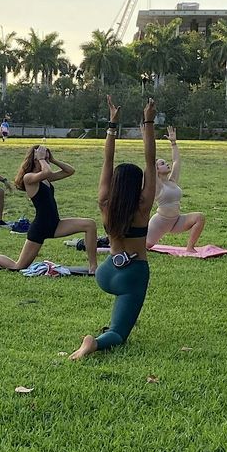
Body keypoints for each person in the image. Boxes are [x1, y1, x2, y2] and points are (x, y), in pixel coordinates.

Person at [70, 96, 158, 360]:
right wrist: (149, 120)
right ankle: (93, 344)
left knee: (120, 320)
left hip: (106, 272)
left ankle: (96, 338)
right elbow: (151, 161)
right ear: (137, 185)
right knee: (119, 334)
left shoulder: (105, 203)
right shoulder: (143, 206)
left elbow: (107, 162)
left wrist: (112, 125)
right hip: (133, 274)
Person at [0, 144, 98, 272]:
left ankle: (93, 267)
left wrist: (53, 159)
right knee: (18, 266)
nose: (46, 160)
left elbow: (70, 171)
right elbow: (47, 171)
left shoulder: (45, 178)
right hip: (40, 227)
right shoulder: (29, 178)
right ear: (35, 159)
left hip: (56, 224)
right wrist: (42, 159)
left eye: (46, 158)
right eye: (43, 158)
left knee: (90, 225)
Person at [145, 126, 206, 251]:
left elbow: (176, 161)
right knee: (142, 247)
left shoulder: (172, 181)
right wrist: (147, 140)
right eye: (162, 163)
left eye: (165, 162)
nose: (166, 164)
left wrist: (173, 143)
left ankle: (190, 248)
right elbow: (149, 161)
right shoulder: (157, 185)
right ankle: (108, 243)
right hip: (160, 223)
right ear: (155, 170)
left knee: (199, 217)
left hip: (176, 221)